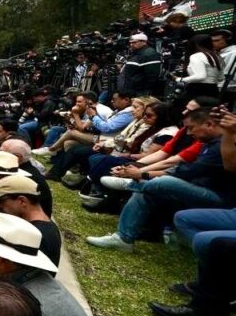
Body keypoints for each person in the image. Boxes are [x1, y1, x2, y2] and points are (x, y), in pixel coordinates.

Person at [88, 107, 236, 252]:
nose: (189, 133)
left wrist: (143, 175)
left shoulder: (220, 146)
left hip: (218, 197)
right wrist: (141, 173)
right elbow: (180, 167)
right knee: (147, 193)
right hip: (196, 187)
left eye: (192, 128)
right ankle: (123, 238)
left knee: (164, 182)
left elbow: (187, 171)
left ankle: (132, 184)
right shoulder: (208, 143)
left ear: (209, 125)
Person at [175, 33, 223, 99]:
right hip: (214, 89)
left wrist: (180, 79)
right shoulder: (217, 56)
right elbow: (221, 78)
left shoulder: (196, 56)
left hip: (198, 90)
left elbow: (200, 76)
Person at [118, 31, 161, 96]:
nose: (131, 44)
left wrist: (144, 92)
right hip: (131, 92)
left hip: (139, 93)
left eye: (134, 42)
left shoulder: (149, 54)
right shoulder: (136, 53)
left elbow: (152, 76)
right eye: (130, 43)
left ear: (143, 42)